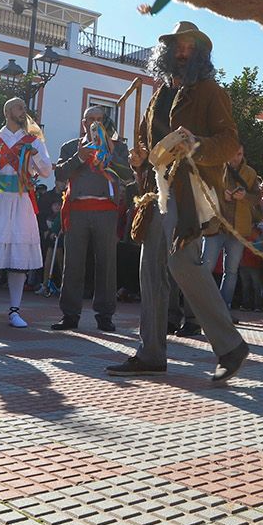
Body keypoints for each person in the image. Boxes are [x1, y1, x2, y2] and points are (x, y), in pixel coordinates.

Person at [107, 21, 249, 383]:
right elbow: (146, 139)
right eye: (176, 46)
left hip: (190, 192)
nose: (182, 51)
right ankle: (151, 353)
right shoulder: (158, 94)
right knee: (150, 272)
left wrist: (194, 146)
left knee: (181, 261)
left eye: (189, 46)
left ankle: (230, 346)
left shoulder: (210, 92)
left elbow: (229, 142)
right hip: (156, 192)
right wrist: (138, 157)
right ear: (167, 52)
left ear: (199, 53)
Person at [0, 97, 53, 328]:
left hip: (20, 201)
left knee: (18, 259)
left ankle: (15, 311)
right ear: (7, 111)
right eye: (19, 107)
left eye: (24, 108)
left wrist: (34, 154)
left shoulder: (33, 140)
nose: (24, 111)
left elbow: (46, 171)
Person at [51, 107, 131, 332]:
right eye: (91, 119)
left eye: (99, 119)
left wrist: (111, 154)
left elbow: (127, 176)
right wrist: (79, 158)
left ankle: (105, 315)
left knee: (106, 263)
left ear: (105, 123)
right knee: (73, 264)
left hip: (105, 210)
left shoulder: (119, 147)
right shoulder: (70, 146)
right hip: (77, 210)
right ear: (83, 123)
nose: (95, 123)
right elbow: (59, 174)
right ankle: (70, 315)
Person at [217, 144, 261, 313]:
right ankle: (205, 307)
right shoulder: (218, 168)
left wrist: (244, 197)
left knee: (232, 270)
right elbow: (209, 191)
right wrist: (223, 195)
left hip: (239, 227)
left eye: (240, 154)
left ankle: (224, 308)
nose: (236, 158)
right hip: (218, 225)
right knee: (205, 265)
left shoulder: (250, 173)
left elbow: (257, 197)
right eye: (233, 154)